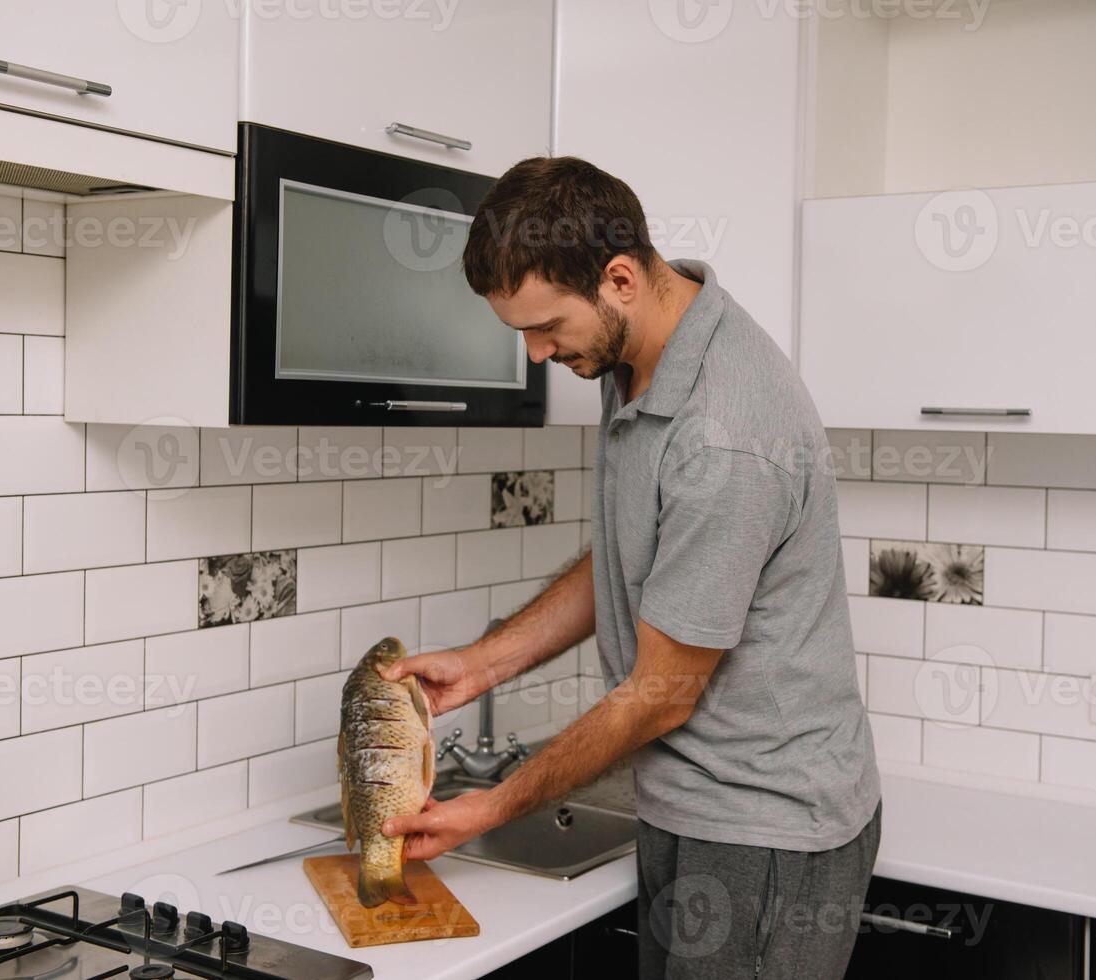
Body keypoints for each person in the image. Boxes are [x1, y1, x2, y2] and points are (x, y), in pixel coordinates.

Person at [376, 156, 882, 978]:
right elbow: (630, 555)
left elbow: (660, 694)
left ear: (618, 278)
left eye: (546, 328)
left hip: (766, 829)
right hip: (693, 801)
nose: (538, 354)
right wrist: (481, 665)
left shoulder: (726, 436)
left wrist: (493, 806)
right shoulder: (636, 355)